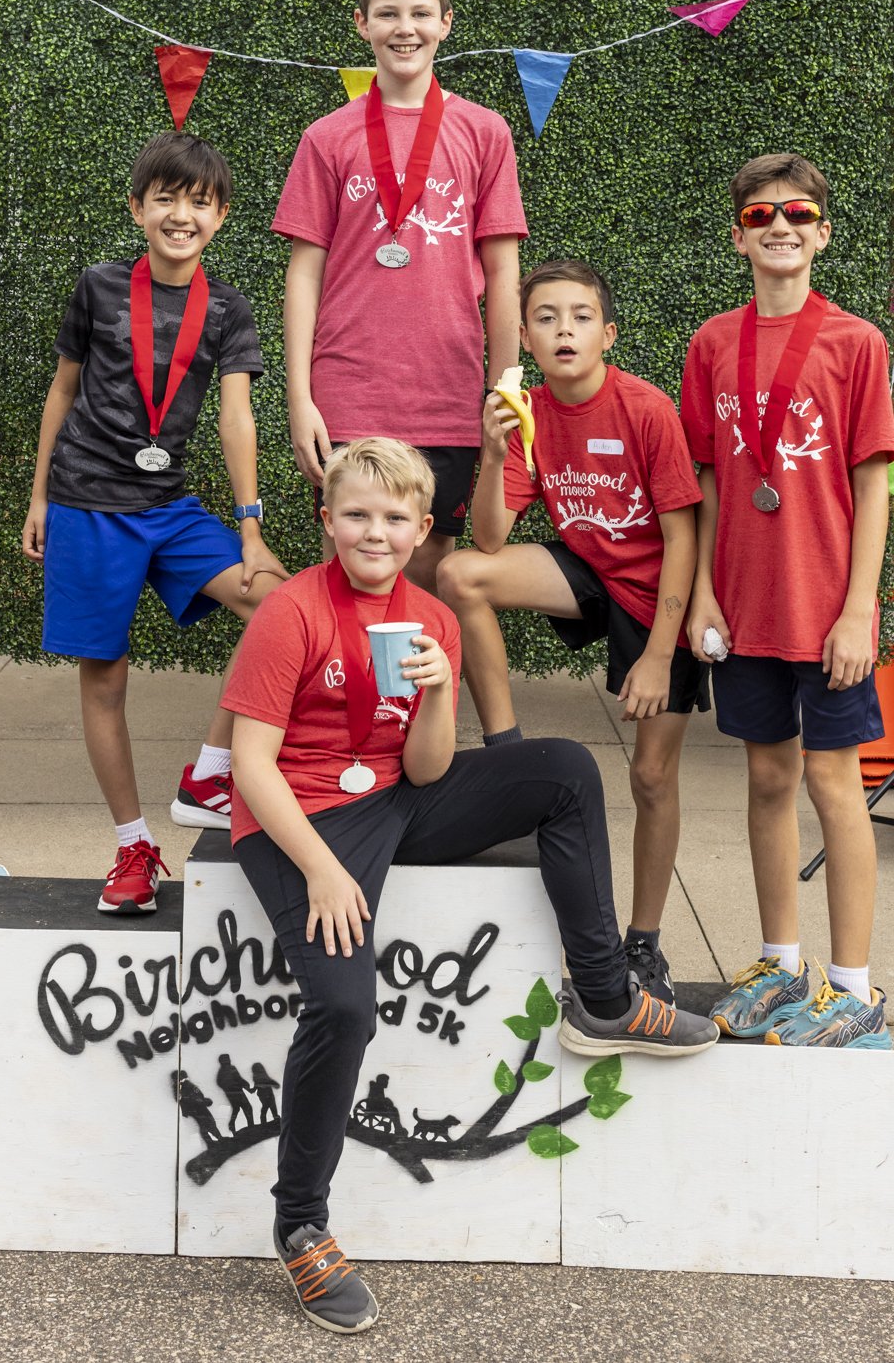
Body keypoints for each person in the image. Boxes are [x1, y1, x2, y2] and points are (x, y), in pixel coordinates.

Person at [223, 436, 718, 1336]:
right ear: (329, 521)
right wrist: (322, 870)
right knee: (343, 1006)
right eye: (357, 515)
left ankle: (605, 997)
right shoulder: (290, 613)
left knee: (564, 770)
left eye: (394, 518)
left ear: (421, 531)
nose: (375, 532)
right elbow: (250, 767)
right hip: (300, 816)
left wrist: (440, 692)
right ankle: (301, 1224)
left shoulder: (430, 617)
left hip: (395, 795)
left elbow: (427, 768)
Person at [22, 131, 286, 913]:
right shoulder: (99, 286)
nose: (181, 215)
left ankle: (210, 771)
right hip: (86, 506)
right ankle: (132, 845)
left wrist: (249, 527)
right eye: (165, 199)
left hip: (168, 507)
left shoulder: (228, 308)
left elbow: (237, 419)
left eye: (199, 203)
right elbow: (63, 390)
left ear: (221, 215)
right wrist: (39, 498)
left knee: (282, 606)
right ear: (138, 208)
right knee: (105, 679)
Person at [438, 260, 710, 1004]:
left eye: (581, 317)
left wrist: (660, 656)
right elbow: (489, 541)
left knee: (651, 776)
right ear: (525, 338)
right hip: (590, 572)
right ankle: (507, 750)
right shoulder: (524, 411)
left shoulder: (644, 409)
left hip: (656, 597)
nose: (564, 330)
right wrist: (494, 454)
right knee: (460, 574)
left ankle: (644, 943)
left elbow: (684, 537)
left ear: (607, 334)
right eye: (547, 318)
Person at [680, 153, 894, 1048]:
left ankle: (853, 987)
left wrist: (858, 611)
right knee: (767, 779)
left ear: (823, 233)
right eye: (760, 215)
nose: (780, 227)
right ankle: (781, 962)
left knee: (833, 782)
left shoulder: (856, 342)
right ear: (739, 237)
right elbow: (705, 480)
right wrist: (703, 595)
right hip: (744, 607)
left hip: (825, 605)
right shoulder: (711, 343)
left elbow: (874, 483)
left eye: (798, 214)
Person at [271, 0, 528, 593]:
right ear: (362, 23)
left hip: (446, 394)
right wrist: (299, 399)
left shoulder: (485, 132)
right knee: (351, 566)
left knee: (426, 568)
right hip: (348, 394)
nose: (404, 27)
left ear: (446, 22)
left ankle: (412, 673)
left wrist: (504, 391)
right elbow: (303, 276)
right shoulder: (326, 137)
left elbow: (504, 274)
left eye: (420, 12)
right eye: (388, 13)